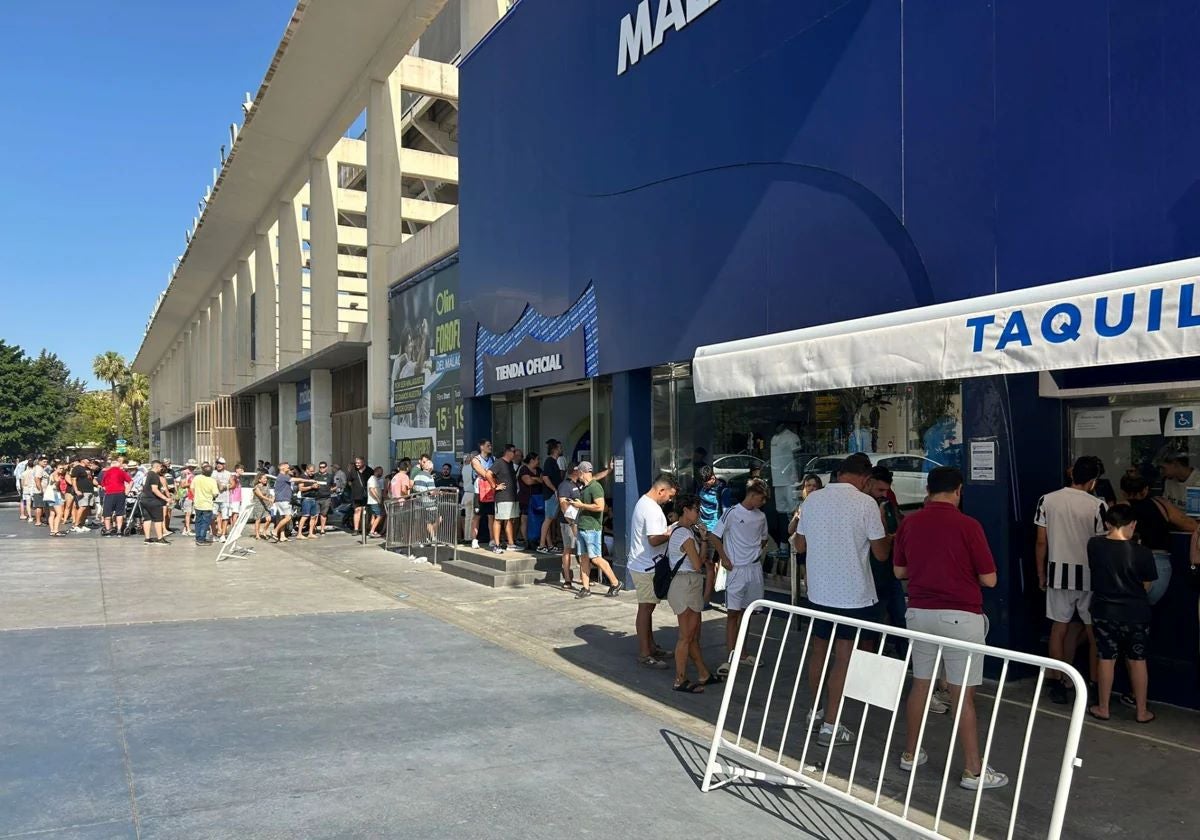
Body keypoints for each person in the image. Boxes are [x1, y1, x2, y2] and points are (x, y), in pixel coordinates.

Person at [893, 467, 1006, 790]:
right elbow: (989, 579)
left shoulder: (909, 523)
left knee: (920, 685)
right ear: (958, 491)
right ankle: (973, 770)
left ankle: (910, 754)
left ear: (928, 490)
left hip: (919, 612)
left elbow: (900, 570)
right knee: (962, 696)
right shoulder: (968, 525)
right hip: (961, 617)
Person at [791, 454, 889, 748]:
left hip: (819, 591)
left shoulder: (813, 500)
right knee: (843, 659)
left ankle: (815, 711)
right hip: (853, 596)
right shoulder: (866, 504)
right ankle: (831, 726)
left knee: (819, 652)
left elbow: (800, 543)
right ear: (865, 478)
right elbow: (881, 553)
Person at [1035, 455, 1107, 704]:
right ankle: (1096, 685)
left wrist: (1041, 573)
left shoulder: (1047, 500)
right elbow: (1102, 544)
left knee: (1059, 628)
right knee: (1092, 631)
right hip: (1089, 575)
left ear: (1071, 473)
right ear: (1093, 481)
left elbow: (1041, 541)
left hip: (1057, 573)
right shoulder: (1097, 506)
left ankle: (1056, 681)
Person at [1087, 504, 1158, 724]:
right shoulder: (1143, 553)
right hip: (1136, 613)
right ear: (1133, 524)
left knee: (1106, 658)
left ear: (1107, 523)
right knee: (1138, 659)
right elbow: (1147, 584)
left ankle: (1103, 707)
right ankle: (1142, 711)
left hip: (1104, 611)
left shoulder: (1095, 545)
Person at [710, 479, 771, 676]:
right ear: (752, 495)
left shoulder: (761, 517)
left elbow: (763, 540)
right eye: (761, 499)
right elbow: (714, 536)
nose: (762, 503)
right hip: (736, 569)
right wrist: (725, 558)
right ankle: (731, 656)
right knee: (733, 614)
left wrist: (753, 554)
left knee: (748, 613)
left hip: (753, 569)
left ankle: (743, 654)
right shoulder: (732, 512)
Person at [666, 494, 721, 693]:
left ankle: (703, 673)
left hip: (686, 584)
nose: (699, 513)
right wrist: (702, 541)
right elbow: (698, 564)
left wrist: (704, 539)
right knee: (686, 636)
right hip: (686, 583)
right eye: (696, 510)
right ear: (686, 510)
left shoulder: (683, 532)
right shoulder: (685, 535)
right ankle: (680, 679)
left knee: (693, 635)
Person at [627, 474, 679, 669]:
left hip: (645, 563)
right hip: (645, 565)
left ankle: (650, 646)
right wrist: (672, 531)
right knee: (646, 608)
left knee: (648, 608)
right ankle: (645, 653)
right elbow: (654, 539)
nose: (670, 500)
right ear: (661, 491)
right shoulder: (651, 508)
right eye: (670, 496)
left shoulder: (645, 503)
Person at [1120, 473, 1195, 605]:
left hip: (1133, 561)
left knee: (1131, 609)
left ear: (1123, 492)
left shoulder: (1121, 508)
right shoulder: (1161, 504)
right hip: (1160, 563)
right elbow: (1188, 524)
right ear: (1146, 489)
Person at [866, 466, 907, 655]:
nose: (884, 494)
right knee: (875, 618)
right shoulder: (865, 506)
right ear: (869, 484)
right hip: (872, 570)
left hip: (890, 568)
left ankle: (905, 655)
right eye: (880, 490)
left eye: (886, 491)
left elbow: (897, 526)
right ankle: (872, 656)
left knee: (899, 615)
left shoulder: (888, 501)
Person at [570, 461, 622, 598]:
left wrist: (581, 505)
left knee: (596, 558)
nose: (578, 474)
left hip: (592, 528)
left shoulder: (595, 487)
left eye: (579, 472)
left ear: (582, 472)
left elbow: (600, 507)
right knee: (584, 558)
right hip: (583, 526)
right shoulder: (586, 487)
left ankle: (615, 582)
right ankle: (585, 588)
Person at [490, 444, 519, 553]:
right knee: (498, 520)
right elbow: (488, 473)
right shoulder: (499, 462)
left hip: (511, 496)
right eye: (514, 451)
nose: (515, 454)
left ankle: (510, 544)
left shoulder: (510, 463)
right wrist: (495, 486)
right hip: (502, 497)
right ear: (508, 452)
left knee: (509, 519)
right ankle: (496, 545)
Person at [557, 463, 582, 590]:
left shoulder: (579, 484)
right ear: (575, 471)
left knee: (582, 549)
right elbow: (563, 504)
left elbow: (595, 478)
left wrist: (609, 470)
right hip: (569, 523)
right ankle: (567, 579)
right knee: (568, 549)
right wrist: (571, 522)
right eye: (580, 470)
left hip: (580, 521)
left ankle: (584, 577)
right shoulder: (565, 485)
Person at [538, 440, 565, 553]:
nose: (561, 449)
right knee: (548, 519)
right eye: (559, 447)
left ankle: (549, 544)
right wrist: (554, 490)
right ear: (554, 449)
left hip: (553, 494)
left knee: (549, 519)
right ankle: (541, 544)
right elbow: (545, 477)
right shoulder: (550, 461)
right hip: (551, 495)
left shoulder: (554, 461)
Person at [470, 441, 498, 550]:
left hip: (490, 490)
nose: (490, 447)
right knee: (477, 516)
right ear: (482, 447)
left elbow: (495, 473)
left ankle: (492, 539)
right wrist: (489, 473)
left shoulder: (494, 459)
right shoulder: (475, 459)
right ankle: (474, 539)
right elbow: (483, 473)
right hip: (479, 491)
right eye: (488, 445)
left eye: (491, 445)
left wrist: (490, 474)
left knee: (491, 516)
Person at [139, 461, 171, 546]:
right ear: (157, 467)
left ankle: (147, 538)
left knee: (147, 519)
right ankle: (160, 538)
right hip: (152, 500)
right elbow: (154, 489)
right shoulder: (154, 475)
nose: (161, 469)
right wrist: (165, 498)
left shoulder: (147, 474)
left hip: (144, 499)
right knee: (158, 519)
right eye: (160, 467)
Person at [100, 457, 132, 537]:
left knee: (107, 512)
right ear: (118, 466)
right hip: (120, 493)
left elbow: (103, 484)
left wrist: (106, 489)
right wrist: (127, 490)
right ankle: (119, 530)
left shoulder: (106, 472)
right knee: (119, 512)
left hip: (109, 493)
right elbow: (130, 481)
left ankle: (108, 530)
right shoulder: (122, 472)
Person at [518, 453, 544, 550]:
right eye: (537, 459)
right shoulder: (524, 469)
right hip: (526, 498)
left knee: (538, 519)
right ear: (532, 460)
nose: (539, 461)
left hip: (537, 499)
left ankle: (536, 538)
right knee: (525, 519)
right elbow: (528, 481)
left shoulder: (539, 470)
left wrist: (534, 478)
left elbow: (542, 480)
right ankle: (526, 540)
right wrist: (536, 479)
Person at [413, 454, 440, 546]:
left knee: (419, 522)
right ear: (430, 469)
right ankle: (433, 538)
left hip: (418, 502)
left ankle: (420, 540)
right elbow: (432, 491)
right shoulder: (429, 477)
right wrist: (438, 492)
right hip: (428, 503)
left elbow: (415, 488)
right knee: (436, 519)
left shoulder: (417, 476)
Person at [191, 463, 219, 545]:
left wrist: (195, 496)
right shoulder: (212, 481)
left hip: (197, 503)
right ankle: (201, 540)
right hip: (207, 505)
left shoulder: (197, 478)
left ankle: (198, 537)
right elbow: (215, 494)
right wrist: (213, 496)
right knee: (205, 523)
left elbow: (192, 488)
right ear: (211, 473)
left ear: (202, 471)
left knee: (198, 521)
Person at [271, 462, 298, 542]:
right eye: (288, 468)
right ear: (283, 468)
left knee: (283, 517)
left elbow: (277, 489)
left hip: (284, 499)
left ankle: (282, 536)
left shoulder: (284, 477)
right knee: (288, 517)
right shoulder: (283, 477)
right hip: (283, 500)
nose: (289, 469)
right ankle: (275, 531)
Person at [70, 457, 96, 533]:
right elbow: (73, 480)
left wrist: (99, 485)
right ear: (83, 460)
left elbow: (92, 479)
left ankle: (82, 524)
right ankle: (75, 525)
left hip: (90, 490)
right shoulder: (77, 468)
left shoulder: (89, 469)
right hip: (82, 490)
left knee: (87, 508)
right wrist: (76, 490)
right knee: (82, 507)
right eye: (88, 460)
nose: (90, 461)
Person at [348, 457, 371, 533]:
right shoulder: (353, 470)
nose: (357, 464)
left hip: (366, 495)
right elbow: (349, 481)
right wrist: (353, 488)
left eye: (358, 463)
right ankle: (356, 529)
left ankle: (365, 528)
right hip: (356, 495)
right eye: (356, 463)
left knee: (366, 511)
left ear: (363, 462)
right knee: (357, 510)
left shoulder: (369, 470)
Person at [249, 472, 274, 540]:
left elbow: (269, 494)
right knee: (258, 520)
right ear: (259, 480)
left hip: (266, 505)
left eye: (266, 478)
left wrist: (272, 498)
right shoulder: (256, 487)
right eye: (264, 478)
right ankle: (257, 534)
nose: (266, 479)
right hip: (258, 505)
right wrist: (269, 499)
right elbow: (261, 496)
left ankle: (264, 531)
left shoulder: (267, 486)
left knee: (269, 519)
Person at [211, 457, 233, 540]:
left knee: (225, 517)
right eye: (217, 463)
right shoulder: (212, 473)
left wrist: (226, 487)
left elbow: (233, 484)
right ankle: (214, 534)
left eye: (221, 464)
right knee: (212, 517)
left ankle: (223, 535)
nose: (219, 465)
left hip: (225, 499)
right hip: (214, 499)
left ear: (224, 465)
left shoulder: (228, 473)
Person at [44, 463, 67, 537]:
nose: (61, 470)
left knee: (52, 513)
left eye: (62, 468)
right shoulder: (55, 474)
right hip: (54, 495)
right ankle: (56, 530)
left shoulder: (53, 474)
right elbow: (56, 481)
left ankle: (52, 530)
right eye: (60, 468)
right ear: (55, 468)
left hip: (50, 495)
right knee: (60, 513)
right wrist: (59, 480)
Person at [313, 461, 334, 535]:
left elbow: (334, 485)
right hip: (316, 497)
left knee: (323, 514)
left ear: (326, 468)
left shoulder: (330, 476)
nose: (321, 468)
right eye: (320, 467)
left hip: (326, 498)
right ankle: (313, 528)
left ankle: (322, 529)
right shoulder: (315, 475)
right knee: (315, 514)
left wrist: (332, 490)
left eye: (323, 467)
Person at [367, 465, 386, 538]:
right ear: (376, 471)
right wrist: (378, 498)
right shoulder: (372, 479)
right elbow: (372, 490)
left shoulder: (375, 479)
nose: (381, 473)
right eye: (380, 472)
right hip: (374, 501)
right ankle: (372, 531)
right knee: (379, 515)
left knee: (374, 516)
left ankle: (372, 530)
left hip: (374, 501)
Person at [180, 460, 197, 535]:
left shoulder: (192, 473)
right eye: (192, 466)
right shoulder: (184, 473)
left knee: (188, 513)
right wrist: (191, 483)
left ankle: (185, 529)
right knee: (188, 513)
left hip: (191, 494)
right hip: (187, 495)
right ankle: (188, 530)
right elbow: (182, 485)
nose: (193, 467)